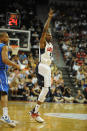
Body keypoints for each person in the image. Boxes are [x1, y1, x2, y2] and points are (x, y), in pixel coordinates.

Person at [29, 8, 54, 123]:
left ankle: (35, 111)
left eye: (50, 34)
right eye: (48, 34)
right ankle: (34, 112)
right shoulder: (42, 42)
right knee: (45, 90)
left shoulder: (50, 45)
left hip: (47, 68)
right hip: (42, 66)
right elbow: (44, 30)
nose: (50, 35)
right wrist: (49, 17)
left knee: (46, 90)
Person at [0, 32, 24, 127]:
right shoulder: (4, 46)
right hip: (1, 72)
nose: (8, 38)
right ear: (2, 38)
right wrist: (16, 65)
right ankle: (5, 116)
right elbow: (5, 60)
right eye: (7, 37)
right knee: (4, 93)